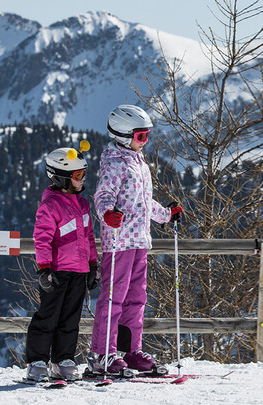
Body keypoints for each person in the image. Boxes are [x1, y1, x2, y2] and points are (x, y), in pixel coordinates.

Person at [89, 105, 183, 376]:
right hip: (119, 242)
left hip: (140, 240)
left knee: (137, 298)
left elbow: (143, 203)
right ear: (121, 135)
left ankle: (131, 351)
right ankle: (102, 355)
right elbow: (103, 195)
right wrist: (108, 214)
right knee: (112, 298)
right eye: (141, 136)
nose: (145, 141)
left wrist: (166, 215)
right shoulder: (114, 163)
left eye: (147, 136)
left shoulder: (139, 163)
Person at [27, 145, 100, 382]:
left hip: (79, 271)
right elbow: (42, 238)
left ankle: (63, 360)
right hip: (57, 271)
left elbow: (89, 236)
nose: (83, 179)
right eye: (78, 175)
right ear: (62, 178)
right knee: (48, 316)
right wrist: (44, 269)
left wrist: (93, 265)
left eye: (84, 173)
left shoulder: (83, 204)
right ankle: (37, 361)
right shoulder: (50, 205)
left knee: (71, 317)